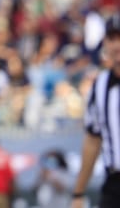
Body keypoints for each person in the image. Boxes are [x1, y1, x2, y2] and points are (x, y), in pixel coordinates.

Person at [71, 13, 120, 208]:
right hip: (114, 184)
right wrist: (78, 193)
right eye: (112, 38)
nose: (117, 44)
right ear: (105, 43)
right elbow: (92, 141)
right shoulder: (99, 86)